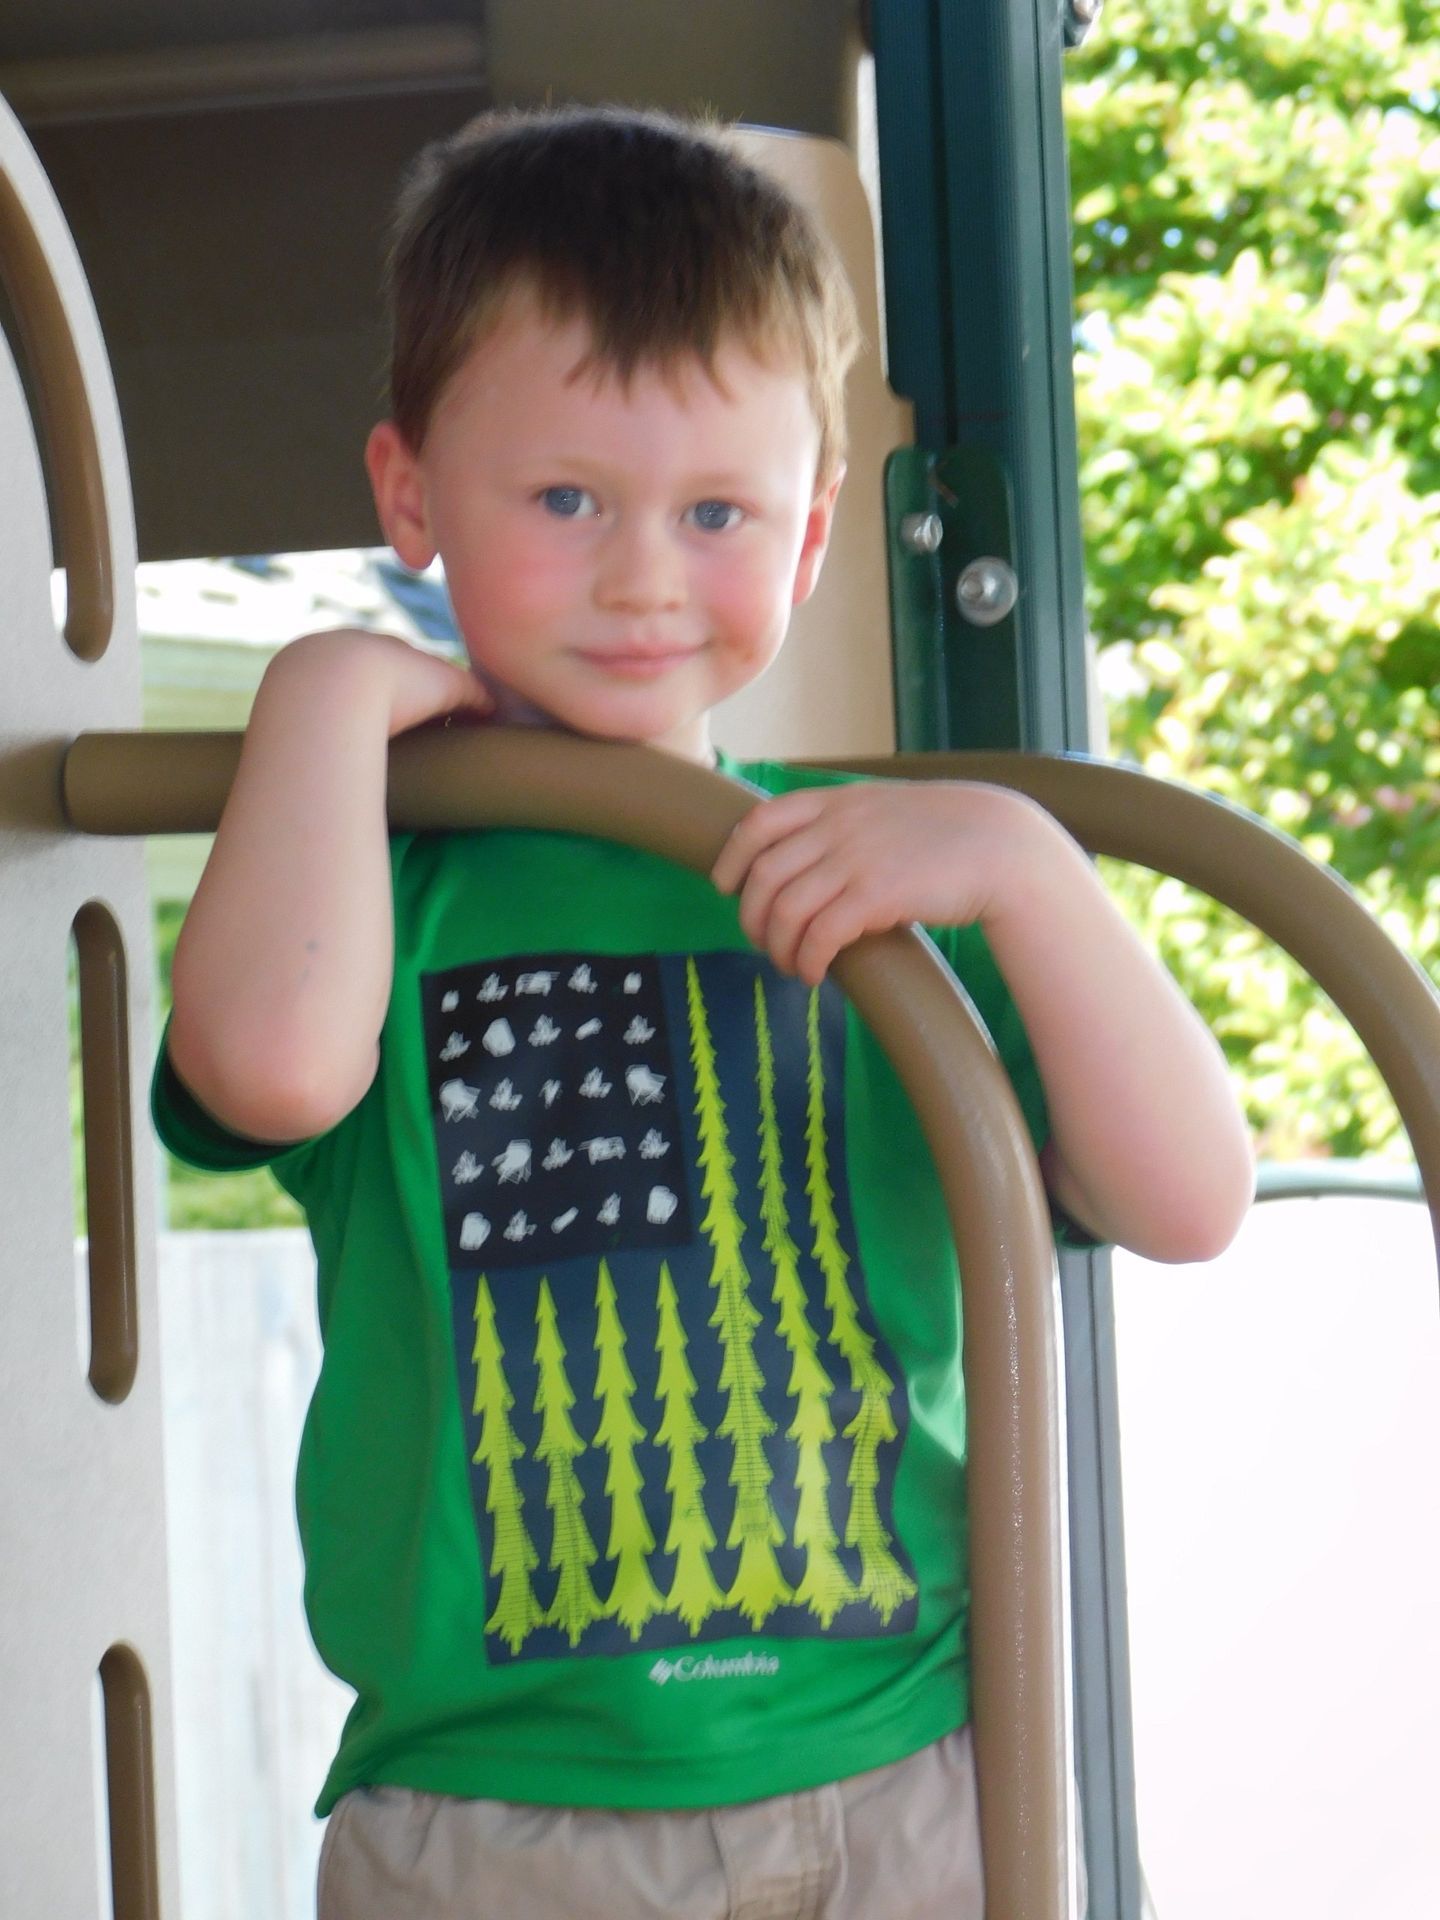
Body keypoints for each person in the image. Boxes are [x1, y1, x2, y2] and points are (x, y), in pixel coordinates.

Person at [154, 105, 1254, 1920]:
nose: (648, 574)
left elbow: (1189, 1200)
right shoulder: (387, 869)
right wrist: (324, 708)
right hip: (496, 1805)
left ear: (815, 532)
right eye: (566, 498)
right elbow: (268, 1068)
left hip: (894, 1765)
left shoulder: (877, 872)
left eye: (718, 511)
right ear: (414, 493)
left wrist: (1033, 866)